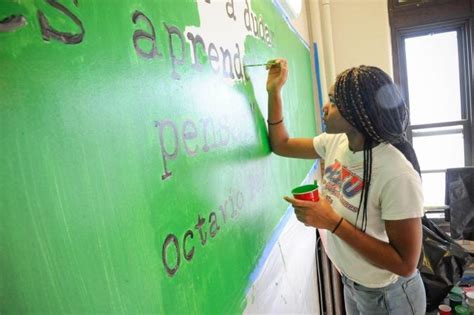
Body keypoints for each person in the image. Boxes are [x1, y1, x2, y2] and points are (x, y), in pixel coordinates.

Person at [265, 59, 426, 314]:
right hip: (352, 284)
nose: (324, 107)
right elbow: (281, 144)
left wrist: (332, 223)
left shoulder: (397, 175)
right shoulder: (336, 142)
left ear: (358, 113)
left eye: (334, 101)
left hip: (389, 296)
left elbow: (406, 264)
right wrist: (274, 92)